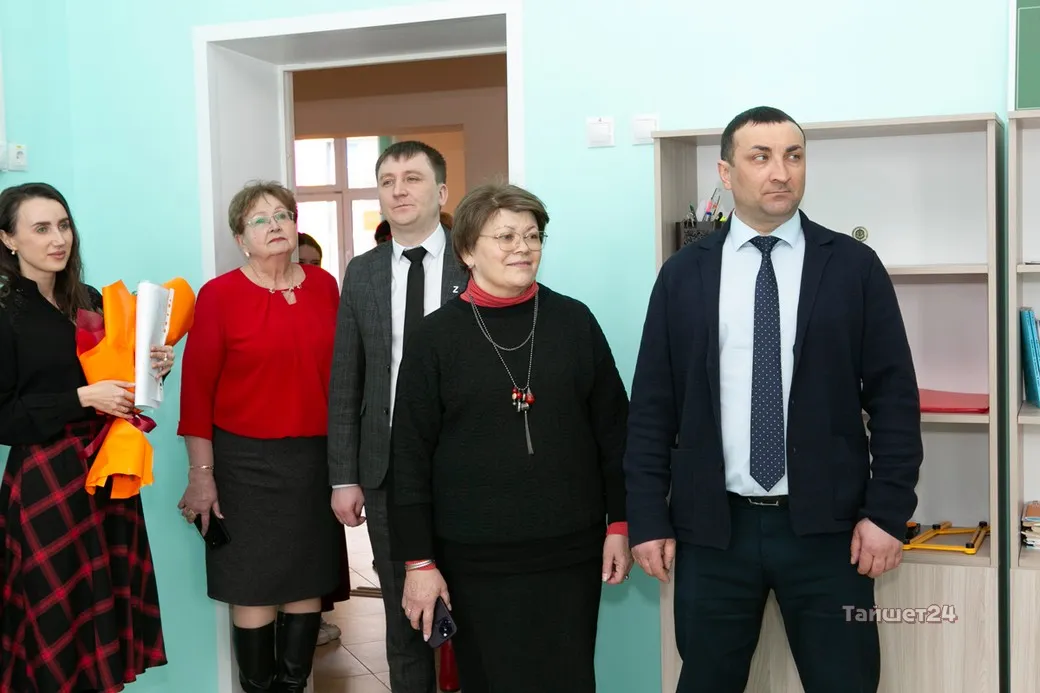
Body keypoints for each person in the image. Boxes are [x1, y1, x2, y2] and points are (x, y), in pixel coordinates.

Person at [623, 105, 923, 693]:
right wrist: (647, 517)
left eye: (793, 155)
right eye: (760, 157)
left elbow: (894, 398)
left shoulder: (853, 267)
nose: (781, 172)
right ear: (726, 172)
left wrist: (888, 512)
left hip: (830, 533)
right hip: (714, 531)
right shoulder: (683, 275)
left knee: (845, 681)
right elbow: (652, 407)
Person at [388, 182, 632, 693]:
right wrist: (420, 561)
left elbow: (615, 432)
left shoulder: (575, 321)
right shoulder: (435, 338)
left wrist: (620, 523)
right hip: (475, 558)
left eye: (533, 235)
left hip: (570, 551)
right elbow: (409, 458)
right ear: (467, 251)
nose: (523, 247)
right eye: (505, 237)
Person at [0, 182, 170, 693]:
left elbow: (121, 387)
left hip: (107, 471)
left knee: (101, 614)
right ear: (8, 240)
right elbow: (3, 418)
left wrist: (152, 369)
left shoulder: (89, 301)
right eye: (41, 228)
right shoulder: (5, 312)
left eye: (64, 225)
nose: (58, 239)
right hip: (46, 480)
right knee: (52, 619)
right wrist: (80, 398)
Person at [177, 180, 343, 693]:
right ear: (240, 239)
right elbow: (196, 395)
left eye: (283, 215)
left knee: (306, 580)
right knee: (251, 585)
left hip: (314, 462)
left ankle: (293, 686)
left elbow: (344, 380)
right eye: (260, 219)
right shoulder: (219, 295)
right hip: (242, 465)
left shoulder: (325, 286)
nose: (275, 225)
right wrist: (201, 474)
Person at [327, 140, 468, 693]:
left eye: (412, 178)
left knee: (475, 613)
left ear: (441, 191)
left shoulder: (473, 260)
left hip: (466, 466)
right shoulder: (361, 273)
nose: (399, 190)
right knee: (404, 619)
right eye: (387, 181)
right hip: (386, 472)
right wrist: (344, 476)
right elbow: (347, 378)